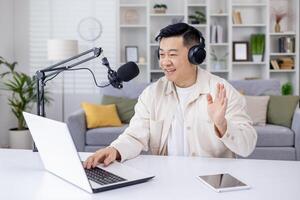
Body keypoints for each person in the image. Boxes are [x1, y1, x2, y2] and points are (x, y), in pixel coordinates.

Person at [84, 23, 257, 169]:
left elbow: (247, 146)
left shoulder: (222, 91)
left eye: (172, 54)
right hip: (166, 178)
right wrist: (114, 150)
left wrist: (222, 124)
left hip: (213, 181)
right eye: (161, 54)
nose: (165, 62)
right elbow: (135, 136)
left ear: (195, 56)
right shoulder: (152, 94)